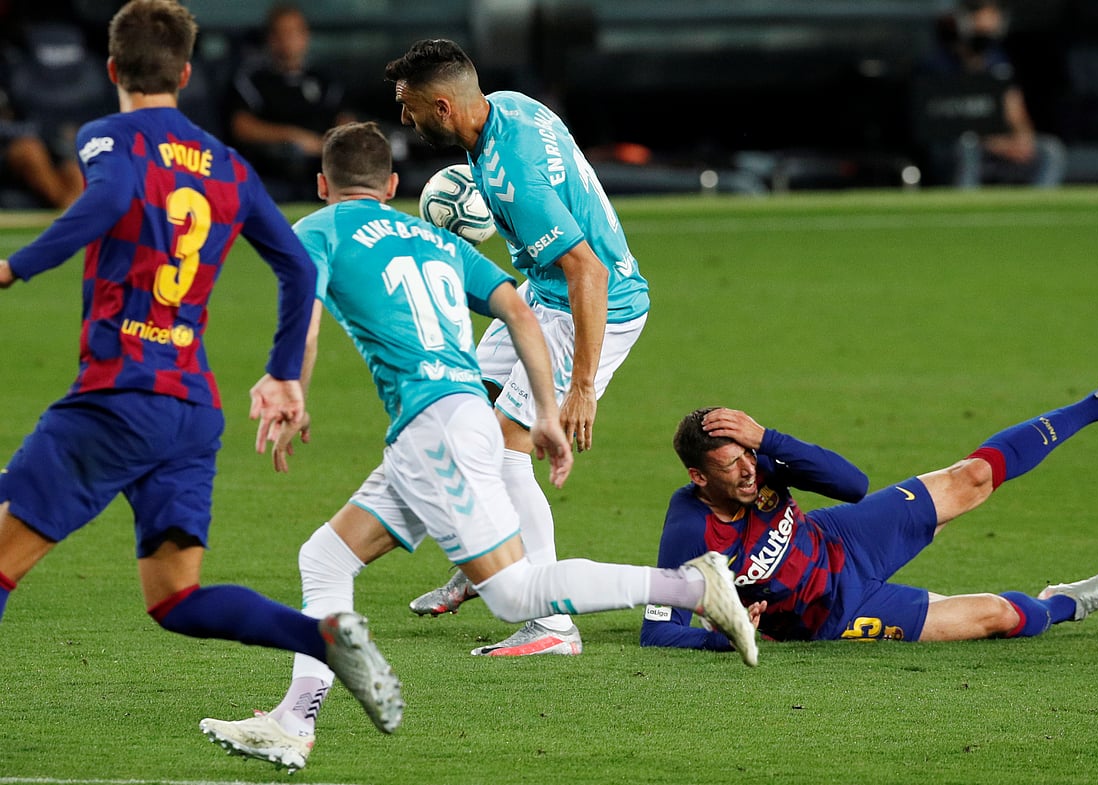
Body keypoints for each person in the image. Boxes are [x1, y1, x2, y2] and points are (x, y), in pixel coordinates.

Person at [196, 121, 754, 772]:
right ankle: (293, 720)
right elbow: (519, 309)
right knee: (324, 557)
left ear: (323, 185)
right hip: (449, 420)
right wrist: (547, 409)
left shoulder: (317, 230)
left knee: (517, 595)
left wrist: (289, 382)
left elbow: (304, 313)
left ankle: (693, 586)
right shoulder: (430, 236)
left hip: (434, 427)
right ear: (395, 185)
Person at [0, 0, 402, 738]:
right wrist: (285, 371)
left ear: (113, 69)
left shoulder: (105, 137)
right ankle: (321, 637)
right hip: (189, 410)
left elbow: (114, 197)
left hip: (118, 393)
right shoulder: (227, 163)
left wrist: (14, 266)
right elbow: (295, 269)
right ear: (186, 73)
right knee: (174, 598)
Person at [384, 38, 652, 658]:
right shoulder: (505, 107)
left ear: (444, 107)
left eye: (411, 106)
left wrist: (581, 385)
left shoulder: (513, 174)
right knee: (460, 410)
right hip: (544, 293)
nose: (406, 117)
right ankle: (491, 561)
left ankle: (553, 624)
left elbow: (591, 272)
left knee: (509, 447)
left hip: (591, 310)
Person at [641, 334, 1098, 650]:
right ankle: (1067, 603)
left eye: (749, 455)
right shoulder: (691, 531)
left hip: (843, 538)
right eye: (732, 466)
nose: (750, 472)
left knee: (973, 477)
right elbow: (658, 632)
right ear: (699, 478)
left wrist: (768, 440)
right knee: (999, 617)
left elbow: (853, 486)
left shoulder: (762, 463)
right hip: (837, 612)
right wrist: (725, 635)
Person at [917, 0, 1066, 189]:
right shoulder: (937, 65)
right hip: (956, 149)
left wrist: (1023, 139)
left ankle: (1037, 212)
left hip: (999, 148)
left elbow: (1014, 108)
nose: (987, 24)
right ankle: (965, 209)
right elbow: (950, 122)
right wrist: (999, 144)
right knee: (967, 146)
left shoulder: (998, 63)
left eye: (991, 16)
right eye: (979, 18)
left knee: (1050, 150)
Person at [225, 3, 353, 201]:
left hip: (325, 166)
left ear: (305, 36)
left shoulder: (323, 80)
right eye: (281, 33)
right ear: (270, 38)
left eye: (294, 32)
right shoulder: (252, 80)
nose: (288, 39)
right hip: (273, 171)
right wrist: (293, 137)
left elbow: (345, 118)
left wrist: (332, 142)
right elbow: (241, 127)